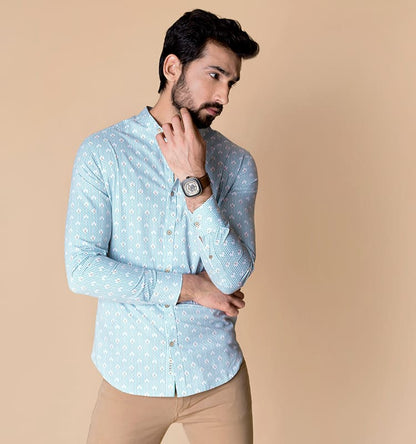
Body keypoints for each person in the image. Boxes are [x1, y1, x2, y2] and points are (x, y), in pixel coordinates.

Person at [65, 9, 259, 444]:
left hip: (216, 378)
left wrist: (196, 180)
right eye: (214, 75)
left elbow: (231, 276)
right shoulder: (104, 153)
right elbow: (82, 269)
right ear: (173, 68)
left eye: (231, 83)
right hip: (130, 377)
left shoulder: (236, 164)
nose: (224, 96)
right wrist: (190, 287)